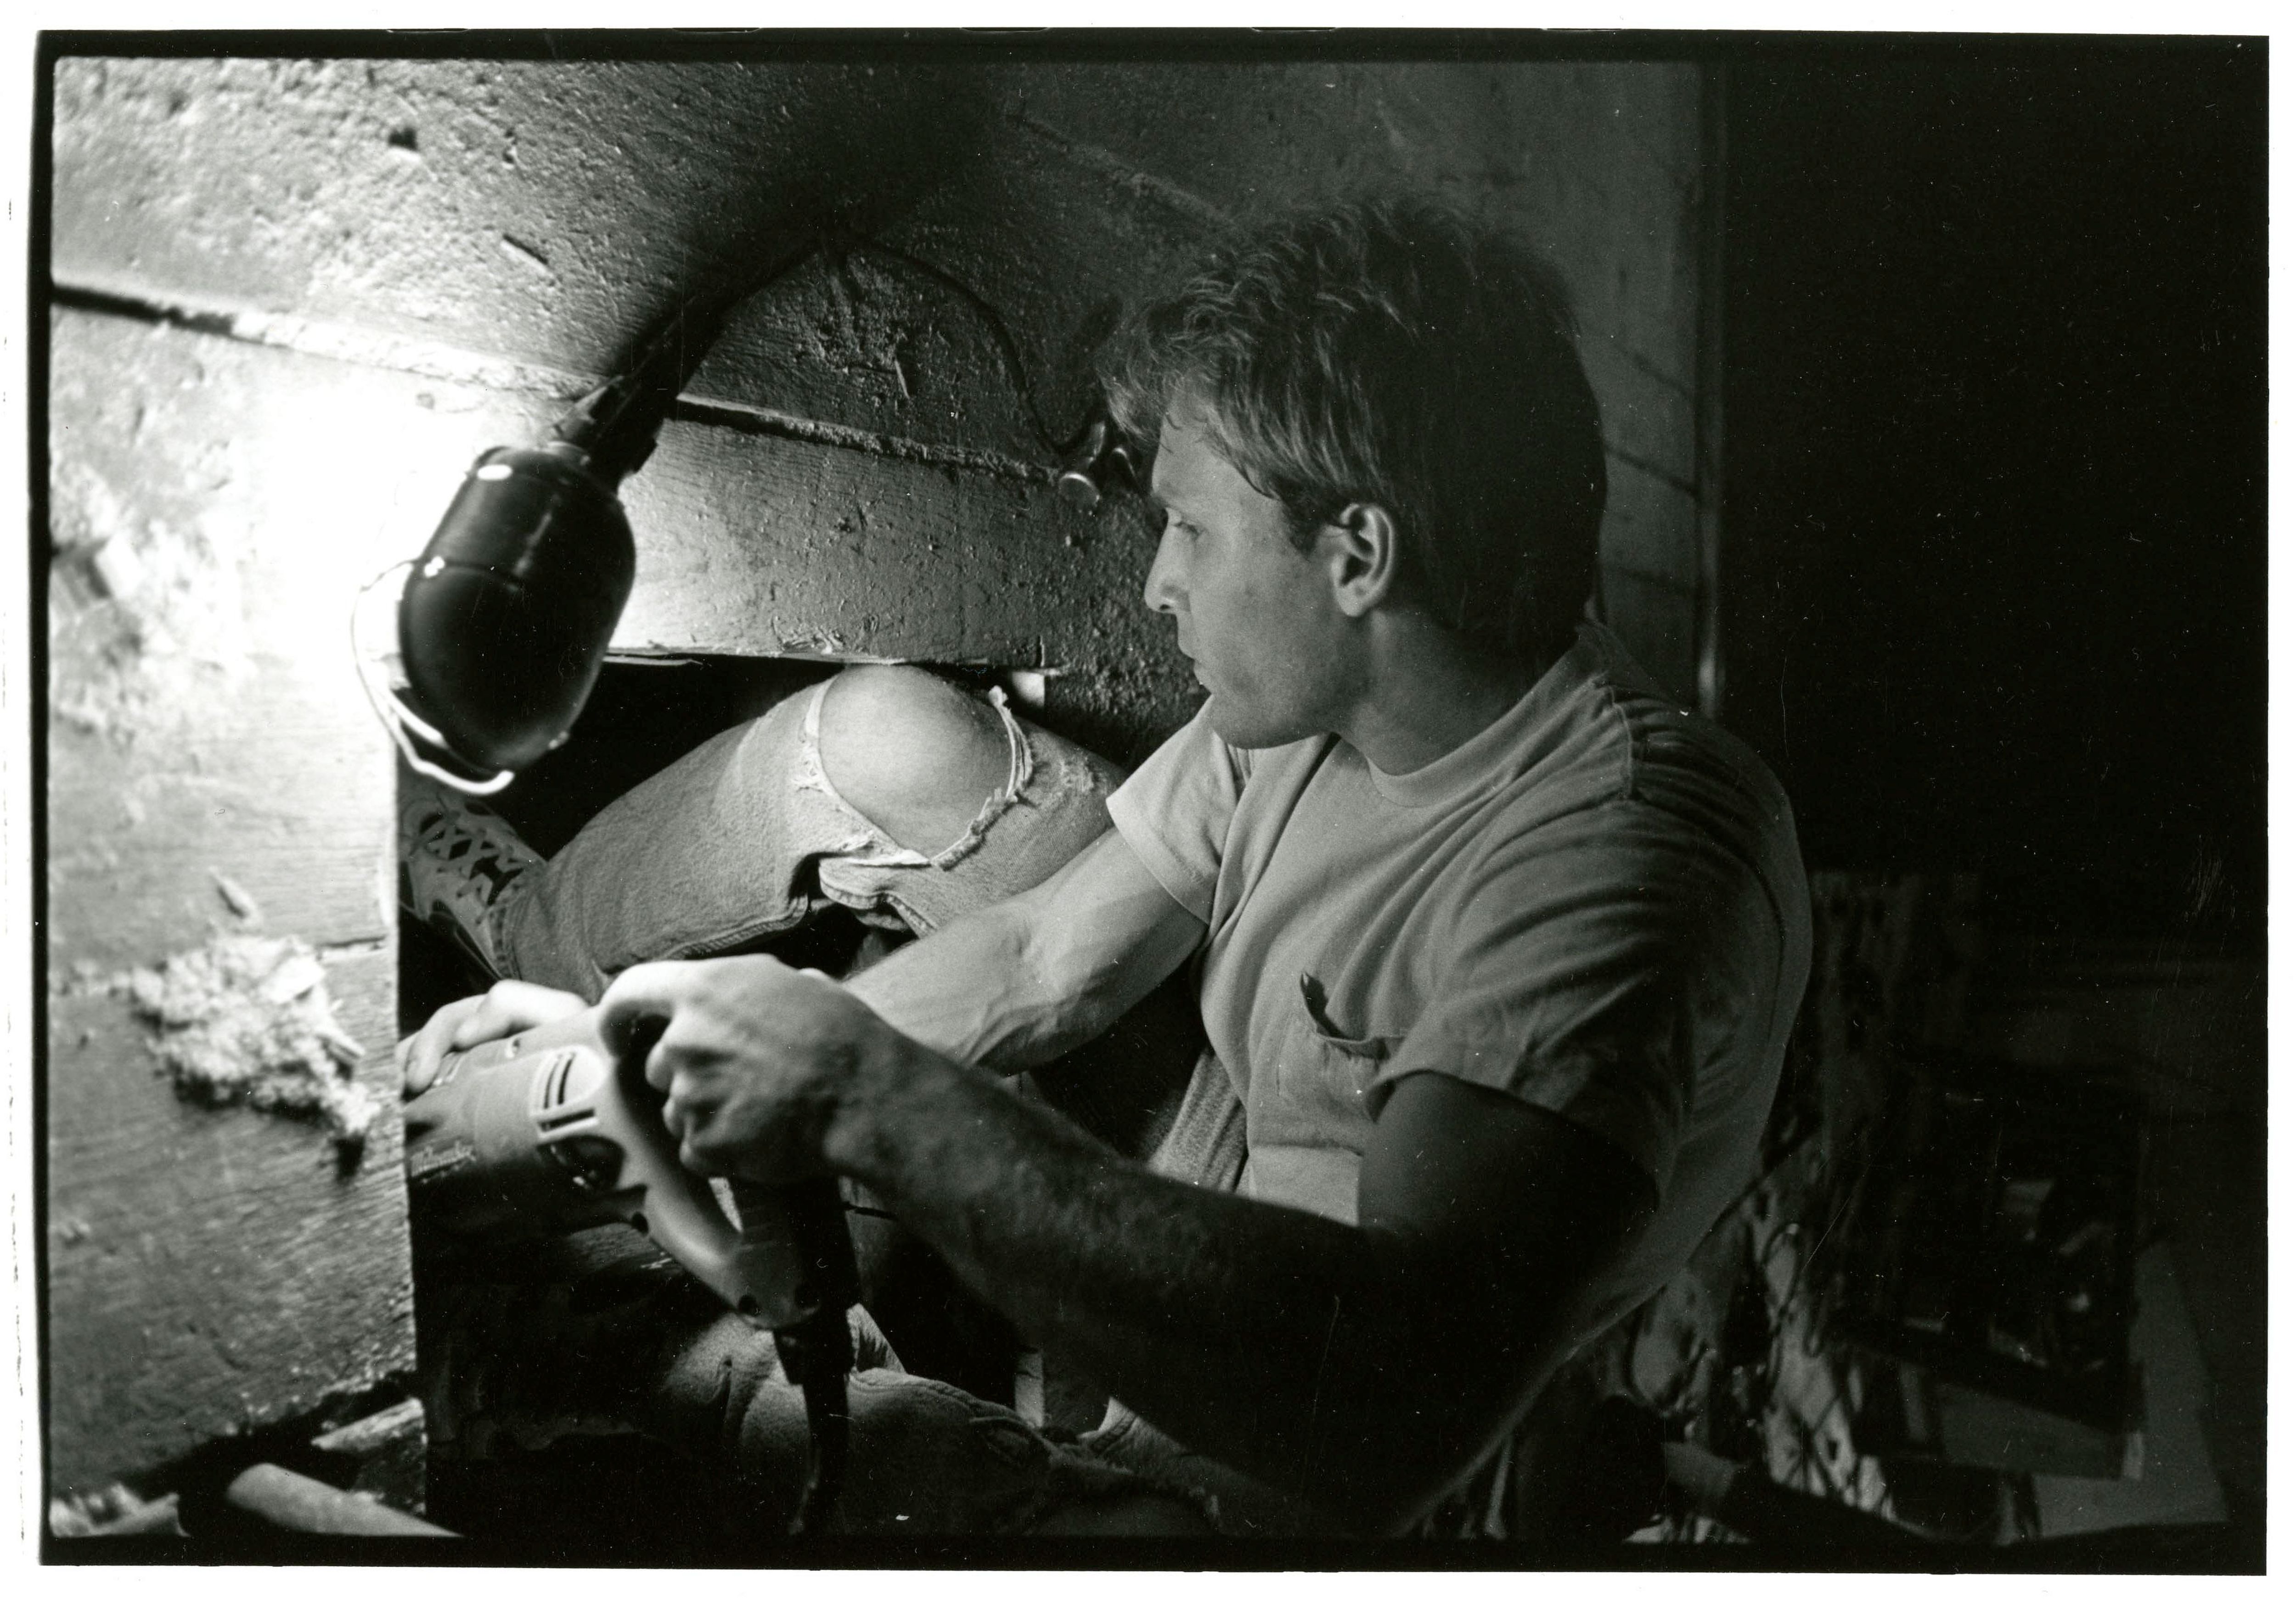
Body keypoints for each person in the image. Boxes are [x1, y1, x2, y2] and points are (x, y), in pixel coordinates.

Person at [400, 195, 1811, 1542]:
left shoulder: (1626, 857)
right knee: (884, 738)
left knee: (1066, 1520)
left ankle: (629, 1358)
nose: (1157, 584)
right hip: (1229, 1126)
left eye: (1192, 529)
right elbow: (1047, 961)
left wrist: (864, 1096)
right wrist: (666, 1057)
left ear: (1358, 556)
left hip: (1332, 1374)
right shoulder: (1346, 692)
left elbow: (1390, 1404)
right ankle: (534, 948)